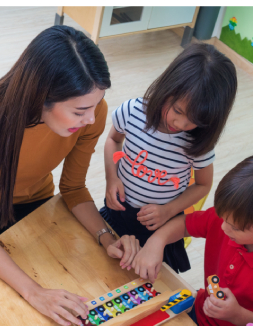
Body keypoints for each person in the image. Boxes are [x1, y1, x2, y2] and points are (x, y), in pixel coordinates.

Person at [0, 25, 139, 326]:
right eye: (80, 110)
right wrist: (35, 293)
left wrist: (106, 237)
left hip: (35, 199)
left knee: (69, 274)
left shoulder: (90, 116)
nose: (93, 119)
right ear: (41, 97)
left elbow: (73, 188)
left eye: (97, 104)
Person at [131, 155, 253, 326]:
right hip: (198, 314)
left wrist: (237, 315)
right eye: (222, 218)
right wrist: (157, 241)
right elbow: (185, 224)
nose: (223, 227)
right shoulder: (235, 217)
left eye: (235, 228)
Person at [102, 41, 237, 273]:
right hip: (118, 213)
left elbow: (204, 185)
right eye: (178, 111)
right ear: (167, 87)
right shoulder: (132, 111)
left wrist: (169, 210)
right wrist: (111, 178)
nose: (181, 124)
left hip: (159, 225)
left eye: (195, 120)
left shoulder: (197, 142)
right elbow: (113, 140)